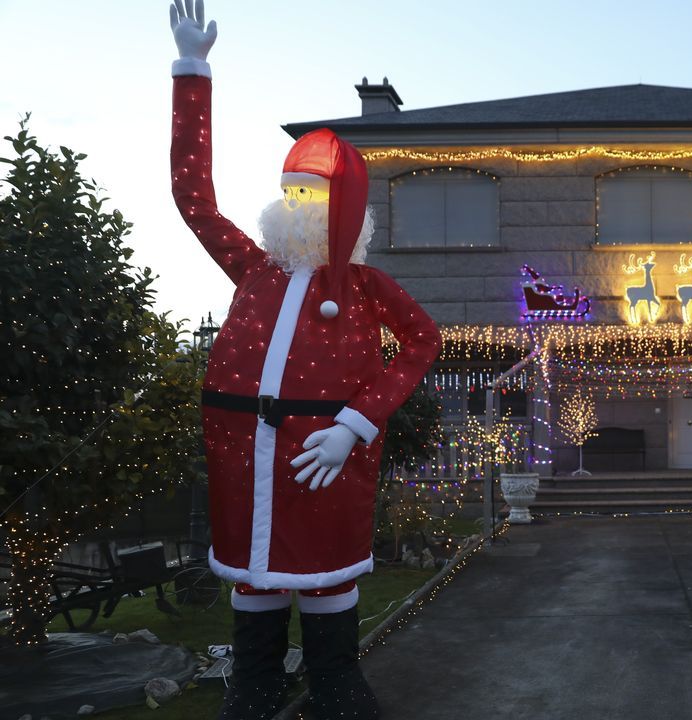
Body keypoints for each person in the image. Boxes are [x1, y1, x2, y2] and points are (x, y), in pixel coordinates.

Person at [169, 3, 441, 718]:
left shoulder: (363, 288)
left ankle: (335, 684)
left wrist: (355, 423)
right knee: (252, 572)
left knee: (326, 569)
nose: (294, 204)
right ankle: (255, 684)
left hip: (325, 453)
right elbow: (193, 198)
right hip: (244, 452)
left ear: (342, 207)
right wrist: (192, 72)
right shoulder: (254, 269)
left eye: (310, 194)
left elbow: (423, 342)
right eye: (289, 191)